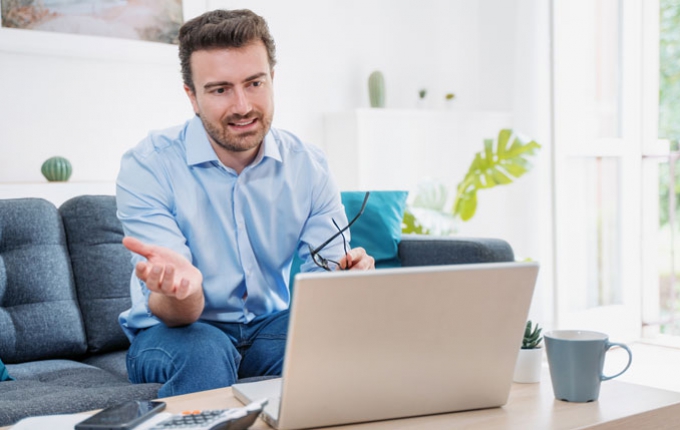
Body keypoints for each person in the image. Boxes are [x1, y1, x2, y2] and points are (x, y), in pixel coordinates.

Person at [116, 8, 375, 398]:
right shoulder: (148, 166)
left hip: (268, 326)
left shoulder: (309, 165)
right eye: (220, 89)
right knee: (205, 350)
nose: (242, 106)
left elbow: (325, 289)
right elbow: (176, 311)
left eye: (254, 83)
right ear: (192, 96)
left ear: (272, 79)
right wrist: (183, 291)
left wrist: (348, 283)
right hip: (176, 332)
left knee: (340, 343)